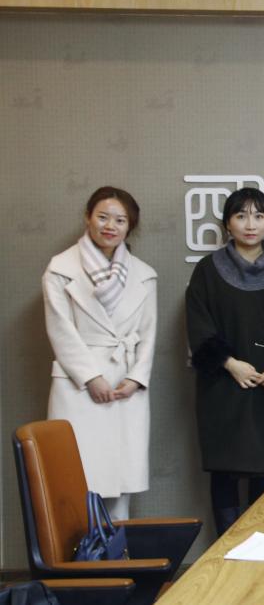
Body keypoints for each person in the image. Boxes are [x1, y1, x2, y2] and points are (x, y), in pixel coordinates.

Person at [43, 186, 156, 521]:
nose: (111, 226)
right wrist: (91, 377)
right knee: (75, 481)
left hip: (125, 387)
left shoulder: (144, 274)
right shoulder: (60, 268)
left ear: (130, 226)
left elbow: (148, 334)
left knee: (120, 484)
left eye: (120, 220)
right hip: (77, 386)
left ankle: (118, 551)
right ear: (88, 218)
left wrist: (136, 379)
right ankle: (79, 555)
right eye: (103, 217)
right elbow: (60, 329)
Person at [185, 188, 264, 535]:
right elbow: (198, 325)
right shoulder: (208, 270)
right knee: (225, 473)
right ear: (227, 224)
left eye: (259, 216)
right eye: (241, 216)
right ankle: (226, 548)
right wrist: (230, 363)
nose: (250, 225)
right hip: (223, 386)